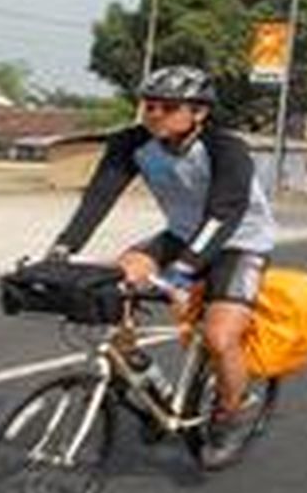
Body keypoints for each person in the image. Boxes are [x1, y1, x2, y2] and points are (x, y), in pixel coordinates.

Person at [48, 64, 274, 471]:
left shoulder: (226, 149)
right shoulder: (132, 144)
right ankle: (149, 387)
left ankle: (233, 411)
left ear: (199, 112)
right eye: (149, 105)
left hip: (239, 243)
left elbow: (224, 213)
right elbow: (99, 197)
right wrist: (62, 249)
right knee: (113, 286)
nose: (154, 114)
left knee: (219, 337)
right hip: (181, 235)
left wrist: (183, 271)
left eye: (168, 107)